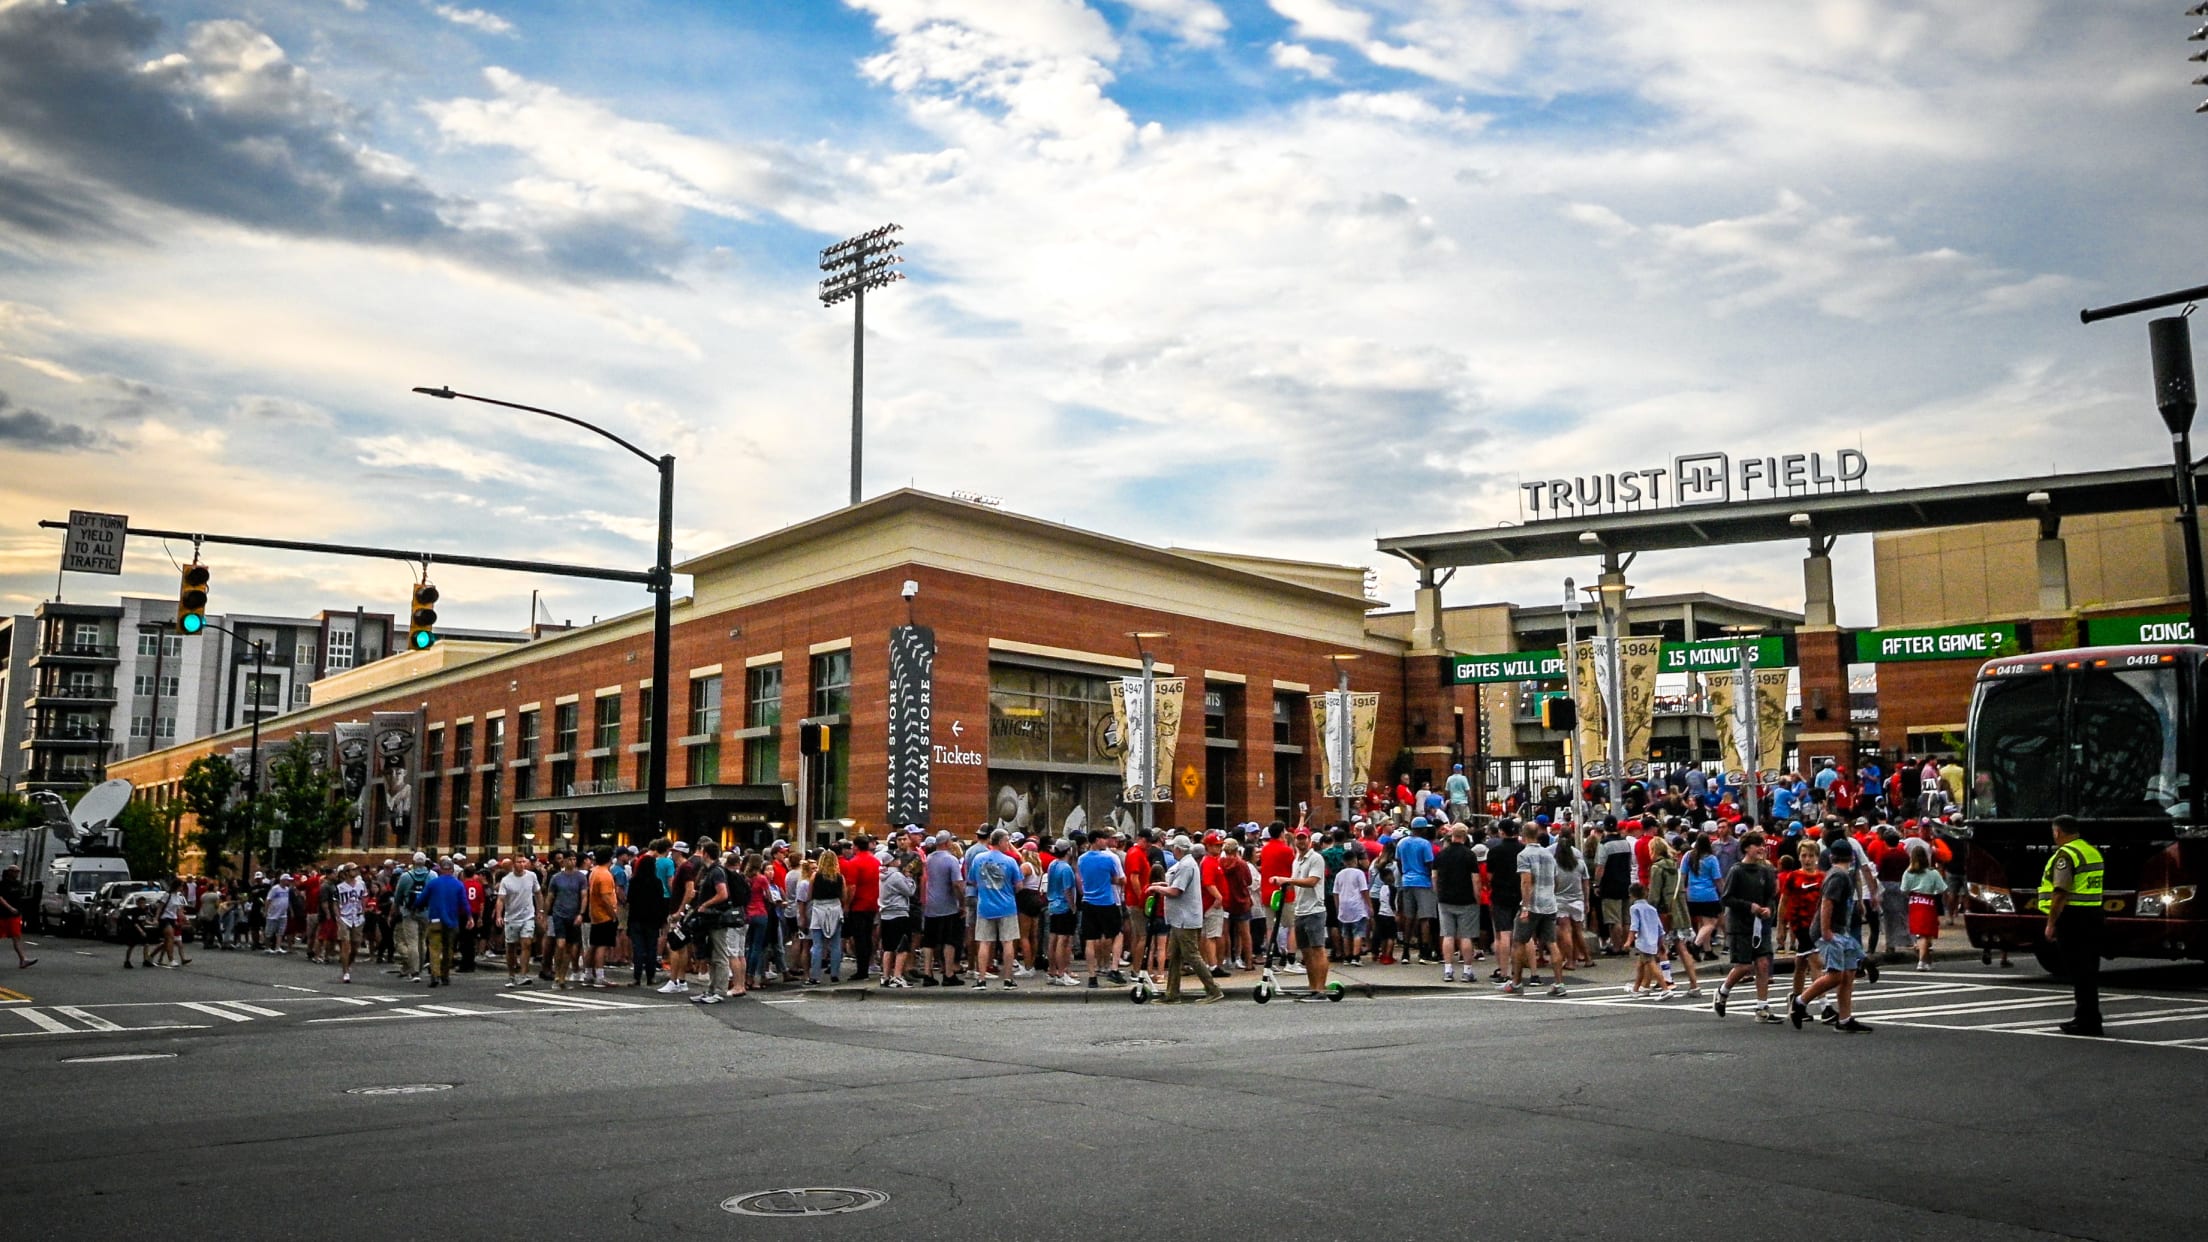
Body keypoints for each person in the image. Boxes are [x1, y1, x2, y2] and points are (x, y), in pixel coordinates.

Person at [1791, 842, 1871, 1033]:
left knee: (1848, 974)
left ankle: (1844, 1020)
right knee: (1836, 975)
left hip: (1841, 931)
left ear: (1831, 857)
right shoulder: (1838, 876)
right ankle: (1800, 1002)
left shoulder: (1842, 875)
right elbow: (1827, 902)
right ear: (1852, 857)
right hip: (1830, 931)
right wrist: (1826, 931)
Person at [2041, 814, 2105, 1036]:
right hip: (2094, 915)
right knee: (2089, 970)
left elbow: (2060, 892)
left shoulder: (2066, 855)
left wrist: (2051, 923)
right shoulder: (2090, 850)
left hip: (2074, 918)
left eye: (2054, 832)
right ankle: (2089, 1017)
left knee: (2079, 971)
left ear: (2058, 832)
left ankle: (2086, 1020)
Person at [1712, 833, 1783, 1024]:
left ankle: (1762, 1008)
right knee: (1744, 965)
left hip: (1760, 925)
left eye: (1762, 845)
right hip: (1740, 924)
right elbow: (1726, 898)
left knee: (1763, 964)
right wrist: (1748, 906)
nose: (1761, 849)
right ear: (1746, 848)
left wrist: (1769, 908)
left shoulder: (1766, 871)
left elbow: (1770, 895)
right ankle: (1722, 991)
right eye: (1756, 845)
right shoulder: (1737, 870)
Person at [1149, 835, 1223, 1004]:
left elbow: (1176, 891)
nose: (1172, 850)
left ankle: (1213, 989)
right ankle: (1172, 994)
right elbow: (1175, 887)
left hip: (1185, 919)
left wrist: (1156, 888)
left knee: (1192, 955)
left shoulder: (1186, 866)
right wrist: (1161, 886)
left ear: (1178, 849)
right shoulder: (1186, 864)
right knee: (1174, 955)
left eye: (1173, 847)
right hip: (1180, 919)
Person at [1504, 820, 1566, 997]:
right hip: (1549, 903)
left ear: (1523, 836)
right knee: (1551, 943)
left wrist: (1525, 905)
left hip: (1532, 904)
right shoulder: (1549, 855)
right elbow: (1557, 880)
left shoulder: (1523, 855)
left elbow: (1526, 881)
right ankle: (1559, 982)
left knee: (1519, 942)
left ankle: (1516, 982)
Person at [966, 829, 1022, 990]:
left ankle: (981, 978)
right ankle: (1008, 978)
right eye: (1006, 841)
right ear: (1000, 842)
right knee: (1008, 942)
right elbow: (1019, 885)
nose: (1008, 844)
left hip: (985, 905)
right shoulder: (1010, 861)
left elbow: (972, 881)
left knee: (984, 942)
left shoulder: (978, 859)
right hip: (1007, 906)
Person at [1282, 829, 1332, 999]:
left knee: (1318, 949)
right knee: (1306, 952)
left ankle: (1321, 989)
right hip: (1300, 910)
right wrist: (1284, 883)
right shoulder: (1296, 860)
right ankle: (1312, 987)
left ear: (1310, 840)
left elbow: (1312, 881)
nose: (1301, 842)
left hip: (1315, 910)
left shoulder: (1316, 858)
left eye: (1304, 838)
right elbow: (1295, 882)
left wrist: (1288, 881)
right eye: (1298, 839)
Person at [683, 840, 735, 1003]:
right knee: (712, 955)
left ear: (706, 853)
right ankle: (712, 989)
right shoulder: (710, 870)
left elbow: (723, 894)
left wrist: (705, 904)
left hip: (716, 917)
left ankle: (720, 991)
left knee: (719, 955)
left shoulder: (716, 871)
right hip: (710, 918)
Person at [1077, 833, 1127, 989]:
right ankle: (1114, 968)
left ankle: (1092, 976)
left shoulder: (1082, 859)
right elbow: (1119, 879)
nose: (1107, 841)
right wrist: (1112, 880)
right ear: (1097, 840)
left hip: (1088, 902)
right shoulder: (1108, 859)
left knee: (1090, 940)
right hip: (1106, 901)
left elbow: (1083, 877)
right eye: (1104, 839)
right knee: (1118, 934)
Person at [1433, 824, 1481, 982]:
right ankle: (1467, 971)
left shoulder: (1441, 854)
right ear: (1465, 836)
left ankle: (1448, 969)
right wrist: (1477, 897)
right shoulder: (1469, 855)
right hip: (1466, 898)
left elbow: (1434, 876)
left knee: (1448, 934)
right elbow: (1475, 879)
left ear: (1451, 835)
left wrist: (1437, 892)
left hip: (1445, 898)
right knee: (1466, 936)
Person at [921, 832, 966, 987]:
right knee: (949, 940)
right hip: (948, 906)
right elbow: (957, 884)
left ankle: (927, 973)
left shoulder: (930, 858)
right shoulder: (951, 860)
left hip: (931, 904)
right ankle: (948, 973)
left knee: (929, 941)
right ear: (947, 843)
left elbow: (925, 879)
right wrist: (962, 903)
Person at [1394, 820, 1438, 964]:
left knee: (1409, 917)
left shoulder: (1401, 843)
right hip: (1423, 881)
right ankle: (1424, 952)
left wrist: (1405, 873)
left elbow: (1399, 862)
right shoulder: (1424, 844)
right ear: (1422, 829)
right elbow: (1429, 863)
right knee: (1424, 918)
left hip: (1407, 881)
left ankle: (1405, 952)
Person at [495, 855, 542, 988]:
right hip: (511, 917)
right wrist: (499, 915)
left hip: (527, 916)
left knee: (526, 943)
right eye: (519, 862)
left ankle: (523, 974)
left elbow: (538, 893)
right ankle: (511, 975)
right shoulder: (506, 880)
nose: (522, 865)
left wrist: (540, 911)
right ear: (513, 864)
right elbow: (501, 899)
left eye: (523, 862)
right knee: (511, 947)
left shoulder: (531, 876)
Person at [1901, 842, 1949, 972]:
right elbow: (1942, 889)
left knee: (1923, 933)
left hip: (1914, 902)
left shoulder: (1908, 873)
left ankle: (1927, 960)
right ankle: (1922, 961)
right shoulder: (1933, 873)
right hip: (1928, 902)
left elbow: (1904, 889)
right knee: (1925, 934)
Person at [421, 858, 469, 987]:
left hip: (435, 919)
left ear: (440, 869)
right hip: (452, 921)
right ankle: (445, 975)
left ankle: (435, 975)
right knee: (449, 948)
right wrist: (470, 917)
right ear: (452, 870)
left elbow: (421, 899)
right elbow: (464, 903)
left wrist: (417, 905)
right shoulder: (458, 884)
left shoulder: (433, 883)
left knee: (434, 948)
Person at [878, 851, 919, 989]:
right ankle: (897, 976)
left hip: (885, 914)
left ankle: (885, 976)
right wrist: (910, 878)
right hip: (899, 913)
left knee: (888, 947)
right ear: (892, 861)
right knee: (903, 946)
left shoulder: (881, 875)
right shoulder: (896, 875)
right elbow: (909, 891)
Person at [584, 847, 621, 989]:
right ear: (610, 858)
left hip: (595, 914)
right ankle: (599, 977)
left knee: (593, 945)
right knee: (601, 946)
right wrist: (613, 914)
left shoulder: (594, 872)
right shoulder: (605, 874)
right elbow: (606, 897)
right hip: (604, 915)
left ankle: (588, 974)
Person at [808, 849, 846, 985]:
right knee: (835, 945)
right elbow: (844, 896)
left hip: (819, 908)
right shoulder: (839, 877)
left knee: (817, 945)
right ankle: (835, 974)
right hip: (835, 908)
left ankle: (814, 976)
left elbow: (809, 895)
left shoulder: (815, 876)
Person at [333, 863, 368, 984]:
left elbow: (364, 898)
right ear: (347, 872)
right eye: (353, 869)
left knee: (356, 946)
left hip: (357, 917)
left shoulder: (361, 885)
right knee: (345, 944)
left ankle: (349, 964)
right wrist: (338, 916)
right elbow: (335, 903)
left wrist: (363, 911)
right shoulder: (340, 887)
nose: (356, 871)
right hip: (344, 917)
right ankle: (345, 972)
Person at [1627, 883, 1662, 995]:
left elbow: (1634, 926)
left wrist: (1629, 941)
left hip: (1643, 942)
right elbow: (1660, 927)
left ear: (1631, 895)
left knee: (1651, 964)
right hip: (1653, 941)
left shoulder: (1634, 908)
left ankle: (1665, 987)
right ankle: (1636, 988)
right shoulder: (1652, 909)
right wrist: (1661, 942)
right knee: (1641, 965)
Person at [0, 865, 33, 969]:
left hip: (15, 916)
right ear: (10, 872)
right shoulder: (3, 884)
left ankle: (23, 960)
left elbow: (21, 898)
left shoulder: (18, 884)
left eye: (18, 871)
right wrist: (10, 908)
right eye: (15, 871)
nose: (17, 873)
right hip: (3, 915)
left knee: (16, 937)